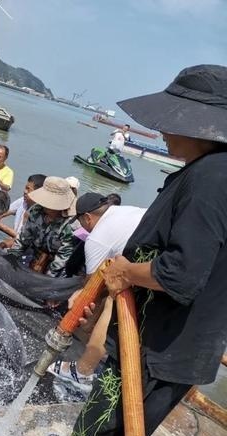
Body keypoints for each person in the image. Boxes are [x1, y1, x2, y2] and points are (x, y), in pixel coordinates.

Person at [73, 64, 227, 435]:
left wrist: (124, 272)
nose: (163, 129)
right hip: (161, 345)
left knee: (94, 431)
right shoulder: (209, 172)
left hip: (156, 352)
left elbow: (181, 272)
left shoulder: (210, 178)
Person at [48, 193, 146, 393]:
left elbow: (95, 286)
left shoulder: (97, 238)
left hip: (150, 272)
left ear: (87, 218)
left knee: (111, 302)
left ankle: (83, 371)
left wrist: (85, 315)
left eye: (81, 222)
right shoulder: (125, 211)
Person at [5, 176, 76, 278]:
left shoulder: (71, 225)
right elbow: (23, 239)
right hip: (34, 260)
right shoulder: (36, 211)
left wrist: (46, 279)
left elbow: (62, 259)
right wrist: (10, 259)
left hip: (57, 272)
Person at [0, 174, 46, 245]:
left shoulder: (41, 213)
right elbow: (3, 212)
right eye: (25, 187)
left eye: (28, 189)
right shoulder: (23, 201)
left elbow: (23, 237)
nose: (25, 191)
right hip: (15, 241)